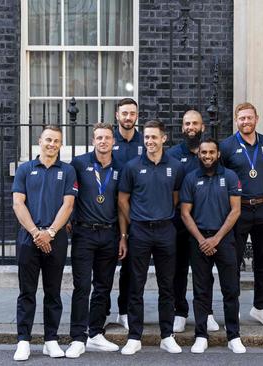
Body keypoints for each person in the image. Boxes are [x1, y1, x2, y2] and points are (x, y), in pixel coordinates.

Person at [118, 120, 185, 355]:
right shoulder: (132, 166)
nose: (149, 141)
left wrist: (161, 213)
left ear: (163, 139)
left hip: (166, 230)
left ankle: (167, 335)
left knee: (167, 285)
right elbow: (123, 199)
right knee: (136, 285)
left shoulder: (175, 166)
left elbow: (176, 196)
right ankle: (134, 336)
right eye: (146, 137)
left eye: (154, 137)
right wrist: (136, 218)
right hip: (140, 231)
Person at [12, 126, 78, 361]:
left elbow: (68, 205)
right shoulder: (25, 169)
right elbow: (18, 204)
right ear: (39, 141)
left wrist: (49, 233)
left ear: (61, 145)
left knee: (53, 292)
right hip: (28, 239)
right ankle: (23, 341)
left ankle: (51, 340)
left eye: (57, 141)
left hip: (56, 238)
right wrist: (35, 233)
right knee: (26, 293)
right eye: (48, 139)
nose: (52, 144)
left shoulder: (68, 171)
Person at [180, 136, 247, 354]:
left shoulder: (229, 176)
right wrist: (202, 240)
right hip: (199, 240)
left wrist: (216, 239)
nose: (207, 156)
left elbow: (235, 210)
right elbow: (185, 213)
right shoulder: (190, 178)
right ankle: (201, 335)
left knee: (231, 289)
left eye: (211, 152)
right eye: (203, 152)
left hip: (224, 240)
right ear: (198, 154)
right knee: (201, 291)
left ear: (218, 154)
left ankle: (233, 335)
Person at [66, 123, 125, 358]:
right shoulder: (79, 164)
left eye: (107, 138)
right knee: (82, 287)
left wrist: (123, 237)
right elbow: (68, 195)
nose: (103, 141)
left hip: (109, 234)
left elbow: (122, 206)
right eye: (99, 137)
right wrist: (69, 218)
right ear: (93, 141)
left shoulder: (121, 167)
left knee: (103, 286)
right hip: (84, 233)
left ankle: (96, 334)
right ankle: (78, 337)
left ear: (113, 142)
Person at [220, 103, 263, 328]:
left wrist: (261, 187)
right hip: (238, 209)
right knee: (233, 262)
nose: (246, 121)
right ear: (236, 120)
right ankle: (231, 310)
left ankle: (261, 307)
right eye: (242, 118)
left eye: (249, 118)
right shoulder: (226, 146)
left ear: (257, 118)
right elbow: (221, 177)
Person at [165, 110, 217, 333]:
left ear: (202, 127)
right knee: (177, 270)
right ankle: (180, 311)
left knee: (204, 272)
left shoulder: (210, 152)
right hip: (179, 221)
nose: (191, 127)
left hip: (205, 222)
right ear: (182, 127)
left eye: (195, 123)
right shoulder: (173, 154)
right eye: (187, 123)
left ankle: (207, 312)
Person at [111, 98, 143, 330]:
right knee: (103, 267)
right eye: (124, 113)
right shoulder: (109, 140)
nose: (128, 117)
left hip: (136, 211)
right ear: (117, 115)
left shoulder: (145, 140)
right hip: (108, 210)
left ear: (137, 116)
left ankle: (125, 310)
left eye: (132, 113)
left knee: (130, 267)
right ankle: (100, 313)